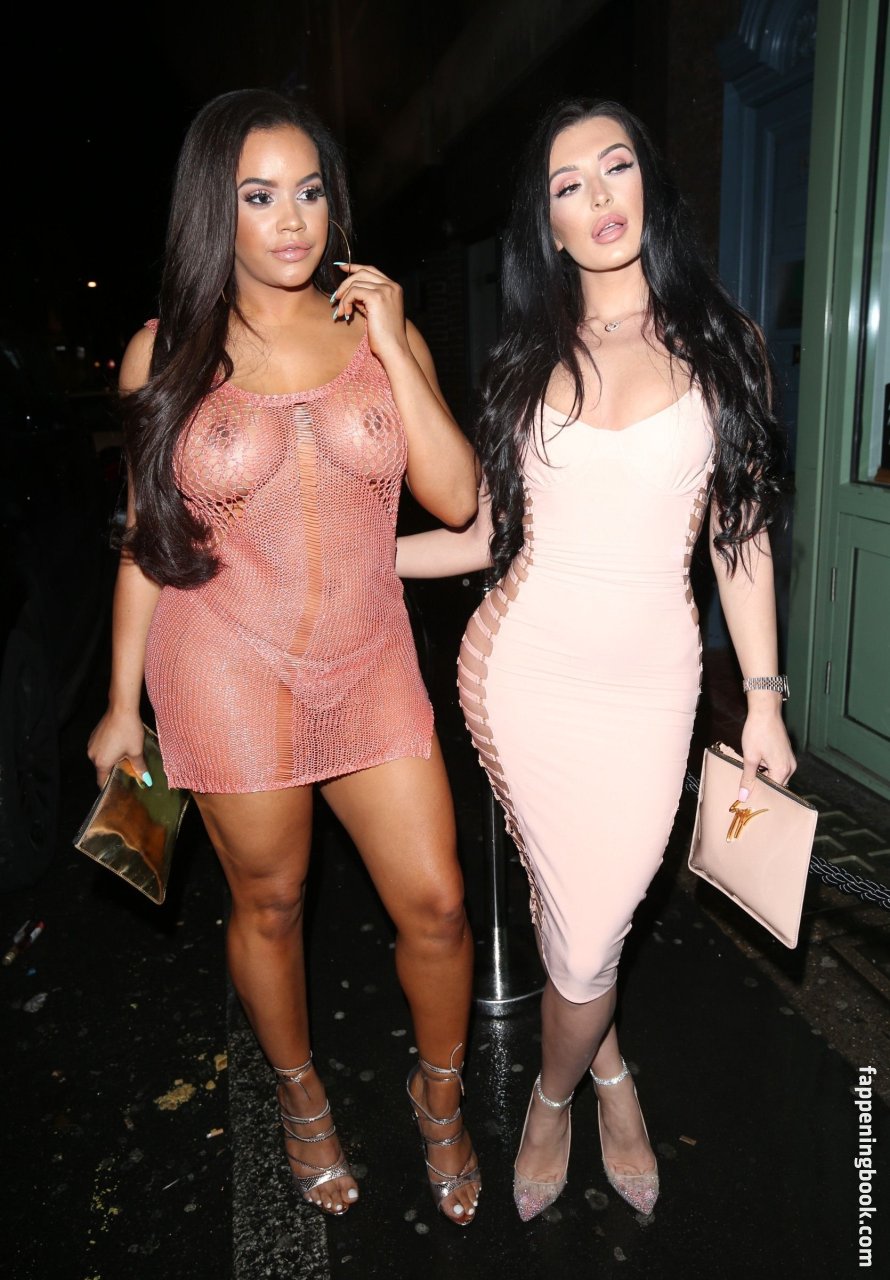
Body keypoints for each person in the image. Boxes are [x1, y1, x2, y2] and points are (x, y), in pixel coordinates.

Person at [87, 87, 483, 1226]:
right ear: (214, 211)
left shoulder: (376, 331)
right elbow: (146, 541)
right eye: (258, 196)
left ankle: (439, 1091)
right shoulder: (165, 352)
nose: (293, 218)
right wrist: (119, 704)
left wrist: (395, 345)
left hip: (369, 658)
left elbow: (458, 499)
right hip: (224, 663)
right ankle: (301, 1096)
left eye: (308, 190)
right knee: (270, 900)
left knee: (438, 902)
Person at [396, 96, 796, 1222]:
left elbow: (739, 538)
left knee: (588, 925)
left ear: (647, 187)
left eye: (615, 167)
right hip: (519, 674)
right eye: (567, 185)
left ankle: (567, 1082)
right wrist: (354, 562)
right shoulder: (526, 360)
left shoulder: (722, 341)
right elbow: (485, 536)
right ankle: (583, 1087)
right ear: (550, 227)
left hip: (651, 688)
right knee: (575, 916)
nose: (598, 196)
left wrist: (764, 698)